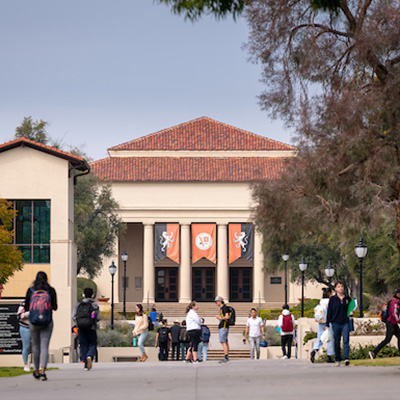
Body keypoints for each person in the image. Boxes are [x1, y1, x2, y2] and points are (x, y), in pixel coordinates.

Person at [24, 271, 57, 381]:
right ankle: (43, 371)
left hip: (33, 322)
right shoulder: (50, 290)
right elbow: (55, 307)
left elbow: (27, 307)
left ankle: (36, 370)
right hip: (47, 321)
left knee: (36, 347)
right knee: (44, 346)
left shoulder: (31, 290)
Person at [72, 287, 100, 371]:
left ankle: (85, 364)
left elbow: (73, 316)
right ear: (92, 295)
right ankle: (90, 356)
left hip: (81, 327)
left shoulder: (79, 305)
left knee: (83, 344)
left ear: (83, 295)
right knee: (92, 343)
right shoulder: (94, 305)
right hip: (91, 327)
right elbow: (98, 317)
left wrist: (78, 322)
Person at [325, 281, 353, 367]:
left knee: (346, 340)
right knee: (336, 341)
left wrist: (351, 312)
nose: (340, 288)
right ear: (335, 289)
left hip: (345, 322)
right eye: (339, 287)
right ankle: (337, 359)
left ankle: (346, 358)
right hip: (335, 322)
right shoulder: (333, 299)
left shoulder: (347, 299)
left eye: (341, 286)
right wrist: (327, 324)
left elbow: (350, 308)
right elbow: (329, 312)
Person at [369, 289, 400, 360]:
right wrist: (399, 321)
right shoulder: (394, 302)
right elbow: (394, 313)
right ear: (398, 294)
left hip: (393, 323)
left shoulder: (395, 301)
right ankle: (373, 352)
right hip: (391, 323)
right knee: (387, 340)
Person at [310, 287, 335, 363]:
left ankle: (315, 349)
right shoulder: (330, 301)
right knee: (330, 338)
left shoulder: (321, 302)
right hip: (328, 322)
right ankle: (329, 356)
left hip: (320, 322)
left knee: (320, 338)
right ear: (330, 293)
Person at [215, 296, 230, 363]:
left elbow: (227, 316)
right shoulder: (223, 308)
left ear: (220, 301)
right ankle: (226, 355)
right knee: (225, 342)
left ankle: (226, 356)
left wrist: (220, 318)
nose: (216, 303)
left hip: (223, 326)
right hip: (223, 326)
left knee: (223, 341)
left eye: (216, 302)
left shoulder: (224, 308)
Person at [17, 300, 31, 371]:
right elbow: (19, 316)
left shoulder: (40, 303)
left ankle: (37, 364)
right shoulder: (24, 303)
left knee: (37, 346)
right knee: (26, 346)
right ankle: (26, 364)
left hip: (37, 327)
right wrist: (29, 313)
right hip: (25, 327)